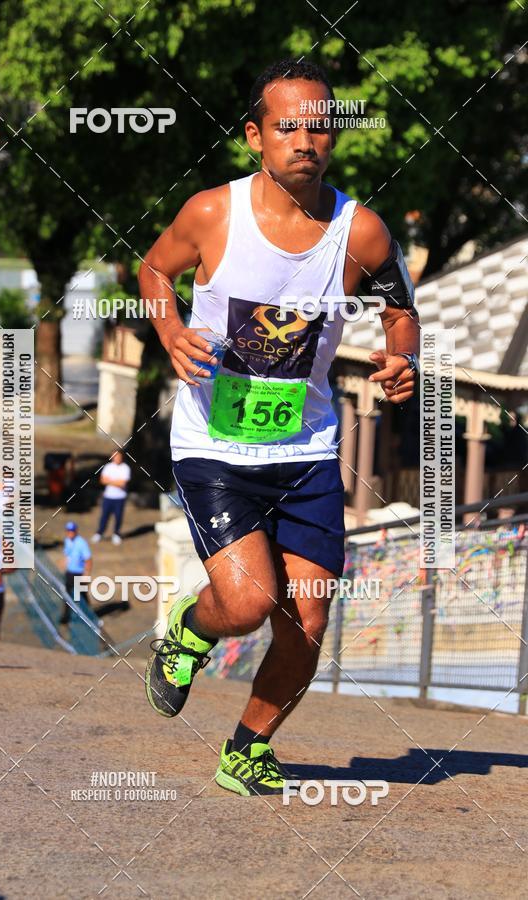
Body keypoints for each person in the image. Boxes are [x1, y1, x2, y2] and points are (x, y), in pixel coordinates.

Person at [139, 59, 420, 796]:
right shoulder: (211, 214)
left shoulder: (360, 232)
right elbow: (152, 271)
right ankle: (192, 628)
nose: (306, 139)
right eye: (288, 125)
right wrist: (170, 337)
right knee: (247, 602)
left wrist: (401, 360)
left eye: (319, 126)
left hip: (306, 450)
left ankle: (248, 748)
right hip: (214, 446)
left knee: (308, 618)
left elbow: (400, 311)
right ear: (254, 136)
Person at [92, 450, 131, 546]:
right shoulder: (108, 467)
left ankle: (116, 534)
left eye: (118, 456)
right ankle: (99, 533)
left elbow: (123, 483)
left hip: (120, 497)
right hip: (108, 496)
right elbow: (103, 480)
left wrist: (110, 481)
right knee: (104, 516)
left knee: (118, 517)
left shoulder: (125, 468)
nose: (117, 458)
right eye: (115, 456)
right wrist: (116, 482)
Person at [61, 521, 92, 625]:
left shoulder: (81, 543)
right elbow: (67, 554)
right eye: (68, 531)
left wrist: (86, 574)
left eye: (72, 531)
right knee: (67, 596)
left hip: (79, 574)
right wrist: (65, 563)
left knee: (82, 597)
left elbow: (88, 559)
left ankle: (88, 616)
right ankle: (66, 617)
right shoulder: (67, 541)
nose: (70, 533)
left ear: (76, 531)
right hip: (69, 573)